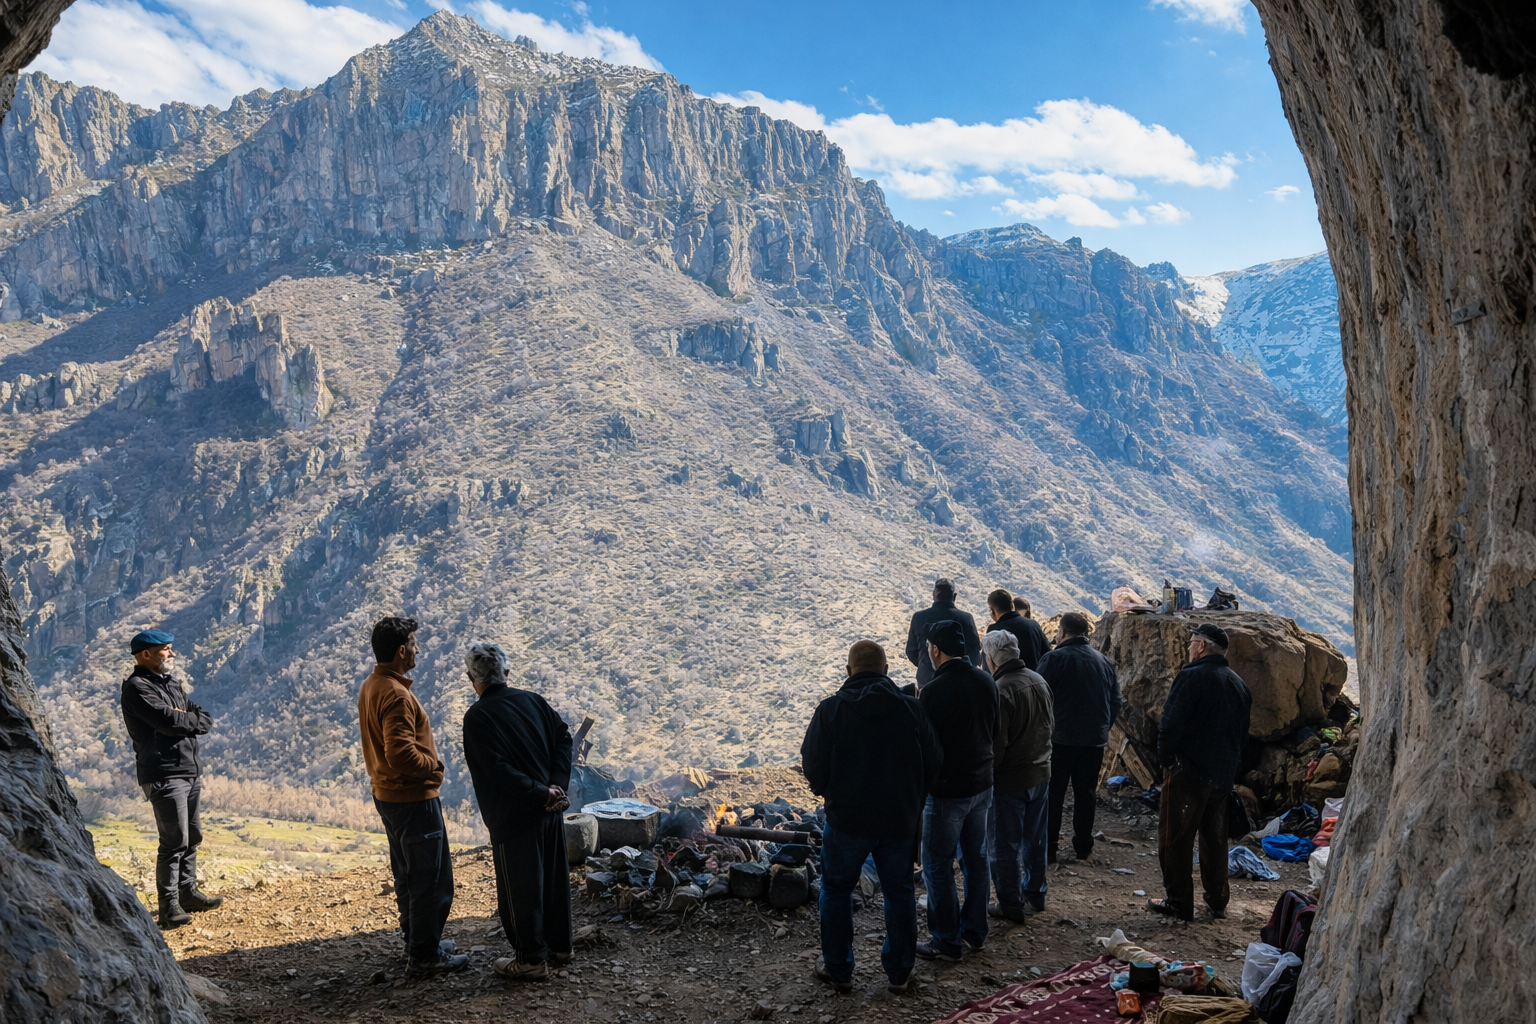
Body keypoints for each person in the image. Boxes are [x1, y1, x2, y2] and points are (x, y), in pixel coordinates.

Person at [801, 640, 942, 995]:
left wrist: (830, 794)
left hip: (847, 821)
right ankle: (900, 973)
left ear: (848, 671)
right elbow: (934, 759)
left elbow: (813, 763)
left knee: (836, 891)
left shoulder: (831, 710)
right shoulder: (911, 708)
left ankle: (838, 969)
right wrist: (913, 798)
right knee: (900, 892)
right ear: (886, 670)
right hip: (898, 820)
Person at [357, 616, 467, 977]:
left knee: (407, 874)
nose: (419, 650)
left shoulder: (372, 685)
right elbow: (401, 753)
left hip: (388, 795)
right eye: (415, 644)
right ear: (402, 651)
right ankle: (424, 956)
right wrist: (433, 767)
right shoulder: (396, 694)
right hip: (412, 799)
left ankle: (417, 941)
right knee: (431, 879)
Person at [461, 642, 575, 981]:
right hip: (551, 812)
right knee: (554, 882)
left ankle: (530, 960)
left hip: (514, 818)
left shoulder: (477, 717)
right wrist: (555, 786)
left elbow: (498, 771)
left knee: (521, 891)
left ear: (471, 679)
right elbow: (564, 738)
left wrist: (540, 793)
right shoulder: (533, 701)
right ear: (506, 673)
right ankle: (561, 947)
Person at [120, 629, 223, 929]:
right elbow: (169, 722)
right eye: (166, 648)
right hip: (163, 773)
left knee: (192, 836)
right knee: (174, 841)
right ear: (146, 654)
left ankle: (187, 894)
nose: (172, 653)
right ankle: (169, 908)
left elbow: (202, 717)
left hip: (189, 770)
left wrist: (183, 718)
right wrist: (182, 719)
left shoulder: (171, 683)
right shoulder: (137, 688)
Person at [1150, 623, 1252, 922]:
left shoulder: (1191, 676)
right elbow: (1243, 735)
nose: (1189, 647)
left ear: (1202, 646)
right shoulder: (1238, 684)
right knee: (1215, 840)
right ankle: (1217, 901)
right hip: (1221, 775)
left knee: (1175, 839)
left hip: (1188, 772)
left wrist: (1166, 759)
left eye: (1192, 641)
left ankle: (1179, 903)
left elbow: (1170, 724)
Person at [916, 620, 999, 960]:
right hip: (982, 784)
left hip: (947, 792)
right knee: (976, 860)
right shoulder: (986, 680)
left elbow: (926, 747)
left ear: (935, 650)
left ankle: (946, 941)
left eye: (928, 648)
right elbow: (995, 729)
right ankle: (975, 932)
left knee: (937, 864)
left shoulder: (933, 691)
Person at [1034, 612, 1121, 864]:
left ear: (1062, 632)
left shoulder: (1053, 659)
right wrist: (1102, 727)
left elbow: (1039, 698)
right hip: (1093, 741)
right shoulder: (1104, 661)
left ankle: (1049, 848)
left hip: (1059, 739)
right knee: (1086, 794)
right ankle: (1083, 846)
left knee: (1053, 793)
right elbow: (1116, 700)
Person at [982, 630, 1054, 923]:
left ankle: (1010, 904)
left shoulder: (1000, 690)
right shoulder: (1039, 680)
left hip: (1010, 781)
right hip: (1041, 772)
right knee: (1035, 840)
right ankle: (1035, 893)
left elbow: (997, 746)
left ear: (991, 658)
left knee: (1004, 846)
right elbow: (1050, 725)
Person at [904, 578, 981, 687]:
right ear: (954, 596)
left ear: (933, 595)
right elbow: (974, 651)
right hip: (960, 681)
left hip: (927, 680)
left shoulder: (919, 617)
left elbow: (911, 651)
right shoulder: (966, 618)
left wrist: (928, 664)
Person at [985, 588, 1050, 670]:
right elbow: (1048, 655)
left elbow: (988, 666)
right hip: (1035, 676)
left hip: (1006, 678)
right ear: (1012, 605)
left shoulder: (994, 631)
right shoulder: (1033, 625)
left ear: (992, 610)